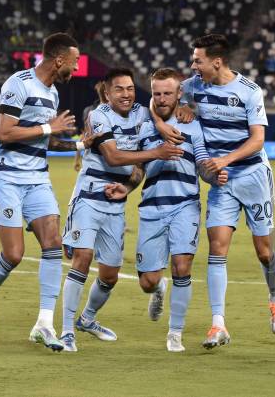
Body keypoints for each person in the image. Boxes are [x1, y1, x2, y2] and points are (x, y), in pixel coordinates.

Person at [155, 34, 275, 349]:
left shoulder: (250, 92)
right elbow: (159, 96)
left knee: (264, 251)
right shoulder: (195, 85)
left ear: (216, 61)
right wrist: (166, 121)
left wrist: (224, 159)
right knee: (217, 248)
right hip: (221, 181)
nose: (192, 65)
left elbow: (258, 140)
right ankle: (218, 324)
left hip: (252, 175)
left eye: (197, 60)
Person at [0, 33, 93, 351]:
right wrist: (47, 127)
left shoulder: (53, 94)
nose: (77, 65)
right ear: (59, 60)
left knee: (53, 242)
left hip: (37, 178)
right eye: (75, 60)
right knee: (14, 254)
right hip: (6, 177)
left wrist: (80, 143)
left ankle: (43, 323)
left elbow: (46, 140)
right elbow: (6, 133)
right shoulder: (19, 83)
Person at [59, 67, 183, 352]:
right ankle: (66, 331)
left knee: (110, 275)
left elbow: (138, 167)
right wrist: (156, 152)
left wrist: (127, 188)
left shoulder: (142, 113)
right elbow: (113, 157)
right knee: (83, 257)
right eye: (119, 89)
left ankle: (87, 319)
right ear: (107, 92)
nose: (126, 94)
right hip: (89, 197)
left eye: (130, 88)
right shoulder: (99, 115)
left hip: (115, 203)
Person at [117, 67, 228, 352]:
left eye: (168, 93)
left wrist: (214, 175)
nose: (163, 98)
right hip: (152, 207)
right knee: (147, 281)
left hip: (185, 206)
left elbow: (202, 164)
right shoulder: (144, 125)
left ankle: (174, 333)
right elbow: (138, 169)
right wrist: (127, 189)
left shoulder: (193, 125)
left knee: (182, 266)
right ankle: (158, 289)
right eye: (157, 93)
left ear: (180, 93)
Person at [74, 81, 107, 172]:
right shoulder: (90, 111)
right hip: (94, 161)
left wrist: (76, 159)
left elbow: (83, 137)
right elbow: (84, 136)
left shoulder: (117, 111)